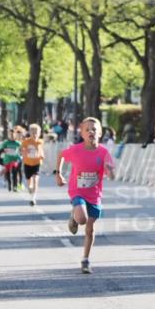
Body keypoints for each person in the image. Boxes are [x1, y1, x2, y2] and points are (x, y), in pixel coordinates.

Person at [55, 117, 115, 275]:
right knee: (82, 219)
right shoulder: (76, 150)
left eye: (94, 129)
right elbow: (61, 155)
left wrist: (110, 170)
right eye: (87, 129)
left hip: (94, 195)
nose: (91, 132)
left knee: (90, 229)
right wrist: (59, 174)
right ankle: (75, 216)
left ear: (100, 133)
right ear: (82, 133)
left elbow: (112, 175)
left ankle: (85, 260)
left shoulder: (103, 152)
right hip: (77, 191)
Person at [21, 124, 45, 206]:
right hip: (27, 163)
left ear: (39, 133)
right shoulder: (26, 142)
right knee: (29, 184)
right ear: (30, 133)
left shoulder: (40, 142)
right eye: (33, 132)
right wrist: (25, 152)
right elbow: (22, 150)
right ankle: (30, 190)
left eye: (36, 133)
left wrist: (42, 155)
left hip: (36, 163)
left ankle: (33, 198)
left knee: (35, 179)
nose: (35, 134)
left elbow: (41, 150)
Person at [0, 127, 23, 193]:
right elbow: (1, 150)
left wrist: (20, 154)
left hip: (15, 159)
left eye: (13, 134)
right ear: (8, 135)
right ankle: (9, 184)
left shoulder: (18, 143)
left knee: (15, 172)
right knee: (8, 173)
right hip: (7, 160)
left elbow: (21, 151)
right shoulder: (6, 143)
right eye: (10, 134)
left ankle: (15, 186)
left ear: (15, 135)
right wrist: (4, 150)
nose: (12, 136)